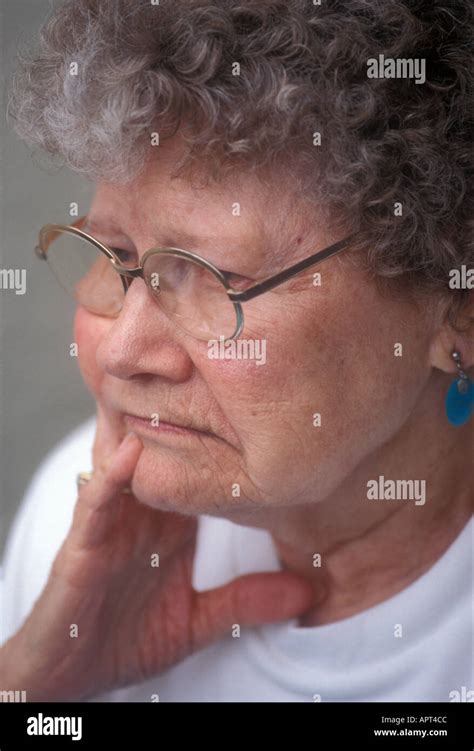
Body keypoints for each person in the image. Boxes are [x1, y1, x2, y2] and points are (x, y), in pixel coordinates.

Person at [1, 0, 472, 702]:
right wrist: (32, 690)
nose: (124, 351)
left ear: (455, 308)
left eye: (217, 278)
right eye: (116, 253)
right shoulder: (73, 521)